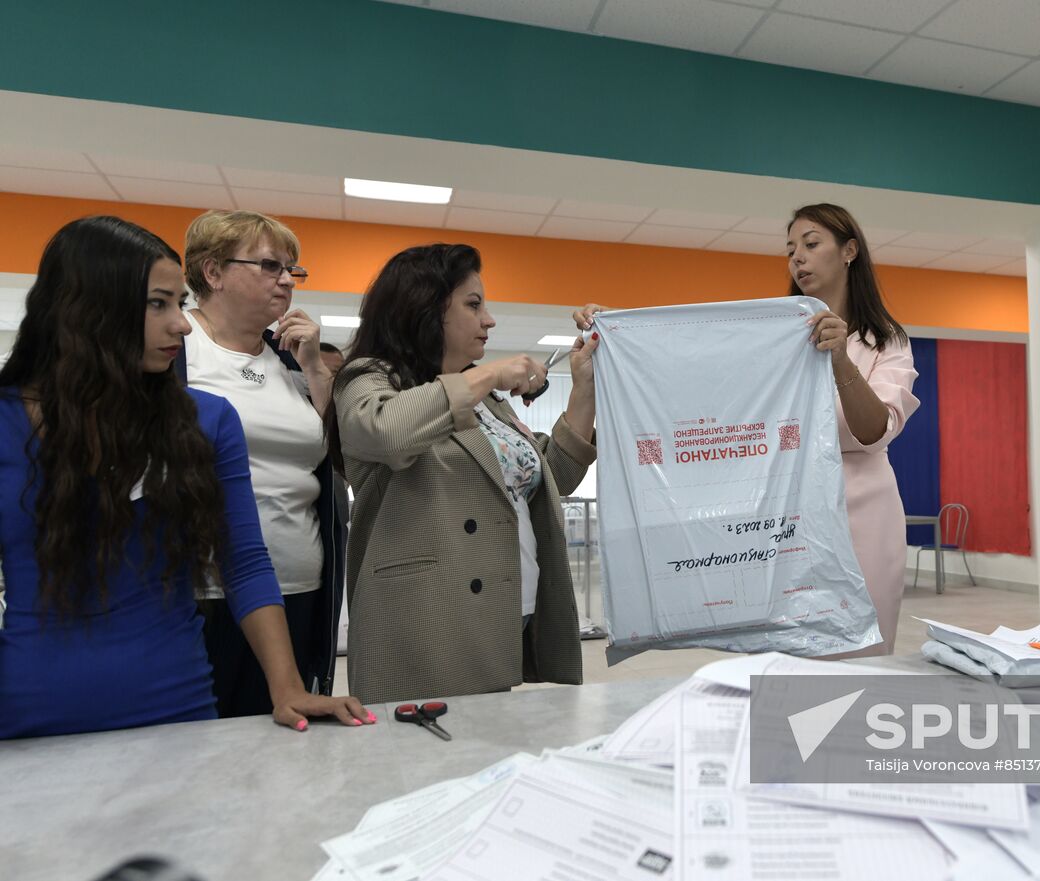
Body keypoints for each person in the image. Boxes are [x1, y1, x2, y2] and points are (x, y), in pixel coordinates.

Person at [0, 215, 371, 738]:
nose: (180, 323)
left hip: (179, 701)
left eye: (179, 302)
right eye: (160, 304)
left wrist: (287, 687)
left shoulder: (208, 417)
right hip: (33, 713)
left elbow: (243, 561)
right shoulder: (7, 420)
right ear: (89, 305)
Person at [575, 202, 919, 656]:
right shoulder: (777, 335)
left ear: (850, 250)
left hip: (863, 512)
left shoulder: (884, 340)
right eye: (791, 248)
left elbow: (876, 430)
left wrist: (840, 361)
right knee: (785, 654)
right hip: (783, 515)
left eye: (812, 244)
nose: (797, 258)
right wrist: (619, 332)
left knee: (861, 657)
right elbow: (704, 369)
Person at [333, 243, 599, 702]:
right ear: (423, 308)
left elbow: (552, 475)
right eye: (473, 305)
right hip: (426, 624)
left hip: (508, 614)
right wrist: (489, 375)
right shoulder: (369, 378)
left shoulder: (489, 404)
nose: (489, 319)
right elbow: (387, 431)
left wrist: (584, 385)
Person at [180, 209, 344, 716]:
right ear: (212, 272)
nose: (286, 280)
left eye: (292, 270)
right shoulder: (176, 347)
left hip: (300, 586)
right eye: (270, 266)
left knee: (277, 755)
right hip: (200, 592)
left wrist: (316, 367)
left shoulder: (291, 360)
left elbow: (338, 455)